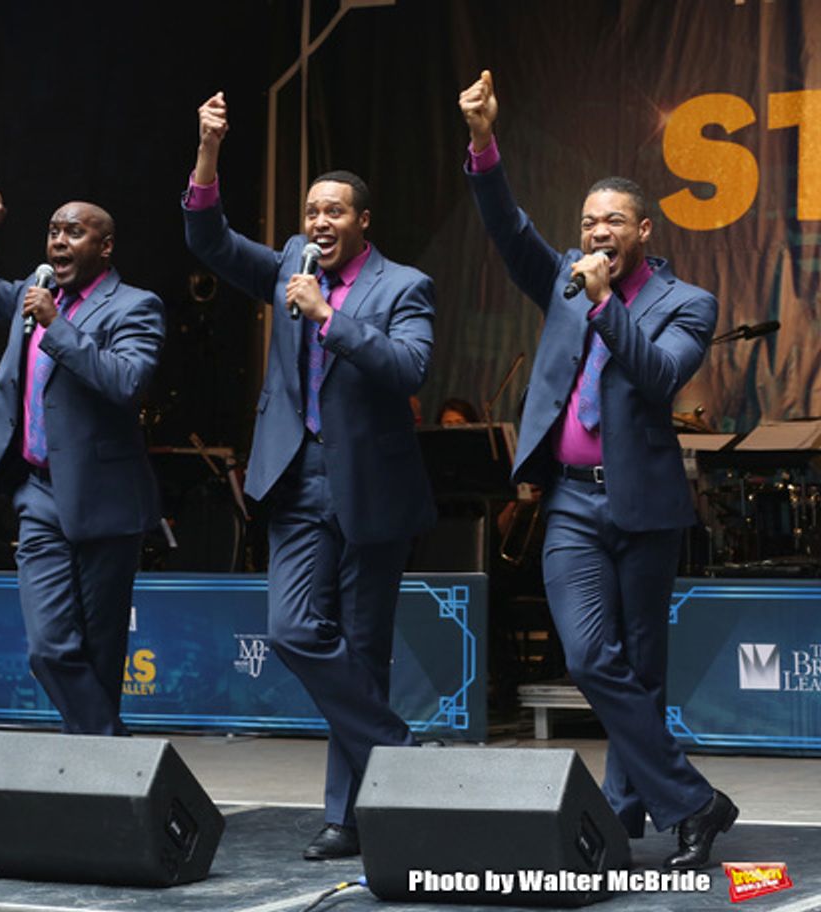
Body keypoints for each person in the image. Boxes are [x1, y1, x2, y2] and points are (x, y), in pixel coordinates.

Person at [459, 70, 735, 870]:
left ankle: (626, 810)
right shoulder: (562, 281)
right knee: (588, 658)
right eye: (586, 222)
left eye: (612, 220)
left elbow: (656, 376)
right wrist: (483, 142)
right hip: (575, 505)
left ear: (643, 229)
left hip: (645, 508)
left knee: (641, 669)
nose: (596, 230)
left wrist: (609, 301)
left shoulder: (689, 303)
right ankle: (695, 801)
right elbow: (508, 227)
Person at [184, 92, 437, 860]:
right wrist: (208, 151)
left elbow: (409, 367)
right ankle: (398, 754)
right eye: (310, 211)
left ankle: (348, 817)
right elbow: (209, 241)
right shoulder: (287, 266)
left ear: (363, 221)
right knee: (295, 630)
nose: (319, 223)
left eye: (333, 212)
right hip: (297, 480)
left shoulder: (403, 287)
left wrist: (331, 317)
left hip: (372, 487)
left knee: (362, 654)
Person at [0, 192, 164, 736]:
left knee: (99, 650)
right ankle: (113, 749)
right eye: (53, 231)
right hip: (38, 494)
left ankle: (100, 779)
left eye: (74, 232)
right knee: (48, 647)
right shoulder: (33, 292)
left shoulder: (135, 306)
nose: (58, 242)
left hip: (105, 497)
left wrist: (56, 325)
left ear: (106, 246)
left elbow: (126, 382)